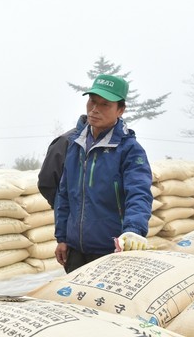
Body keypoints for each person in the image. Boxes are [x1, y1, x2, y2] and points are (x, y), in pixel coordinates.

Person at [54, 74, 153, 273]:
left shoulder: (129, 150)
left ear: (121, 110)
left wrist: (133, 230)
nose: (94, 109)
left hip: (111, 251)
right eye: (92, 101)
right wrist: (62, 238)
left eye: (105, 104)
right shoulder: (76, 145)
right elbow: (65, 194)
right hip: (75, 252)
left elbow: (139, 194)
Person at [37, 114, 87, 208]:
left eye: (105, 104)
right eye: (93, 101)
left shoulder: (121, 145)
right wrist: (65, 208)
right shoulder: (66, 142)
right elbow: (47, 181)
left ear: (119, 111)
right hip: (71, 219)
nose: (96, 109)